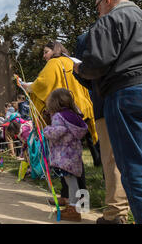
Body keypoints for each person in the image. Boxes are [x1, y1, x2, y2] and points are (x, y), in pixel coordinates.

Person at [75, 0, 142, 224]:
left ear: (107, 1)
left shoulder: (109, 21)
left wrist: (80, 68)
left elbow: (97, 63)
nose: (98, 11)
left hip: (127, 94)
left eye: (97, 6)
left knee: (134, 168)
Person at [21, 41, 94, 206]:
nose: (44, 55)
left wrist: (26, 86)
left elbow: (42, 84)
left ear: (55, 50)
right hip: (78, 110)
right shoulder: (72, 61)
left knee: (64, 161)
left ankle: (72, 198)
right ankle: (77, 197)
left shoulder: (53, 63)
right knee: (75, 159)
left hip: (62, 113)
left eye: (46, 51)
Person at [74, 33, 129, 224]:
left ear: (105, 1)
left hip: (108, 101)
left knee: (113, 159)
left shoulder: (89, 37)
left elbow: (86, 72)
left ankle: (116, 212)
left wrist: (77, 70)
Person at [43, 89, 89, 222]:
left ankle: (73, 209)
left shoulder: (59, 116)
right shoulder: (73, 114)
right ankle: (73, 206)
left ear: (54, 102)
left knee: (70, 181)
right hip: (73, 154)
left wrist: (46, 130)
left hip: (64, 155)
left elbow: (58, 131)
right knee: (72, 180)